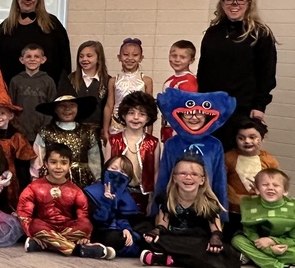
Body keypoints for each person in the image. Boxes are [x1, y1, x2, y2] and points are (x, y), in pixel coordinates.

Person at [197, 0, 277, 148]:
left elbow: (267, 73)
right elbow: (203, 71)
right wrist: (200, 104)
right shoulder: (213, 33)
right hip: (213, 108)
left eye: (240, 0)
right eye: (230, 0)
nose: (235, 4)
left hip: (243, 108)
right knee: (214, 157)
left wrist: (259, 106)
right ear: (222, 3)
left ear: (249, 3)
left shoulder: (260, 34)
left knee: (239, 162)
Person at [141, 155, 242, 268]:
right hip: (173, 237)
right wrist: (156, 231)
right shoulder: (166, 198)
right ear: (174, 178)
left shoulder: (209, 202)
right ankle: (175, 258)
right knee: (151, 240)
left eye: (194, 174)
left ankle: (168, 259)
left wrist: (215, 238)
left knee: (216, 255)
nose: (188, 177)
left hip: (197, 240)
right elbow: (163, 224)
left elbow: (216, 229)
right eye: (182, 173)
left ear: (202, 180)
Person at [17, 143, 114, 259]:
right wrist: (31, 233)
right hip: (43, 227)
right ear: (46, 163)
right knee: (34, 224)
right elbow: (23, 215)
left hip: (66, 229)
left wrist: (85, 237)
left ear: (70, 165)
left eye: (63, 163)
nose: (58, 167)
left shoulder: (76, 191)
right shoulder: (33, 187)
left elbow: (83, 217)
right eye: (53, 162)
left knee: (86, 224)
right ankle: (78, 250)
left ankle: (45, 244)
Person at [155, 87, 235, 220]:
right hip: (175, 206)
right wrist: (156, 210)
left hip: (204, 207)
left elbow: (219, 180)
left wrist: (222, 215)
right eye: (188, 113)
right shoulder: (172, 143)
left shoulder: (215, 145)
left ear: (207, 116)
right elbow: (164, 177)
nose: (194, 117)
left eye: (199, 114)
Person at [0, 0, 71, 84]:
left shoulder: (52, 23)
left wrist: (64, 85)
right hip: (13, 89)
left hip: (48, 89)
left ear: (38, 0)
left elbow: (65, 56)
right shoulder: (6, 26)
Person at [0, 65, 36, 206]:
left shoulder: (17, 138)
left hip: (12, 184)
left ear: (10, 115)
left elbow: (23, 169)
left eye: (2, 113)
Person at [230, 168, 295, 268]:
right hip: (258, 243)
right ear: (257, 190)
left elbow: (293, 239)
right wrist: (269, 249)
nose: (270, 188)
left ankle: (255, 258)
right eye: (265, 185)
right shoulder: (251, 205)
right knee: (237, 240)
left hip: (285, 244)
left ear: (285, 191)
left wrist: (273, 241)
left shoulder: (292, 208)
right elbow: (249, 232)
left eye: (276, 185)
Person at [31, 94, 102, 188]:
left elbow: (94, 159)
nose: (67, 109)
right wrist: (35, 179)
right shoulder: (46, 131)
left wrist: (97, 180)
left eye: (72, 105)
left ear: (78, 108)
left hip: (81, 180)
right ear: (55, 109)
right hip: (53, 179)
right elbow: (38, 158)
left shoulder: (87, 132)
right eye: (62, 106)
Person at [224, 118, 279, 237]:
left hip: (260, 210)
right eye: (241, 138)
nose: (247, 141)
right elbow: (222, 182)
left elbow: (276, 185)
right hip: (234, 211)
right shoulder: (228, 158)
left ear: (262, 139)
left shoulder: (269, 161)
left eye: (252, 137)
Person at [107, 91, 160, 213]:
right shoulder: (113, 140)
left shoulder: (154, 143)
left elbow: (156, 173)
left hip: (144, 197)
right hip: (117, 195)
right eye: (131, 113)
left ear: (148, 118)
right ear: (124, 115)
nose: (136, 117)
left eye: (142, 114)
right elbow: (107, 171)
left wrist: (153, 199)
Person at [83, 155, 143, 258]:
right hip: (95, 231)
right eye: (113, 169)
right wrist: (106, 201)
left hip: (115, 232)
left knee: (137, 236)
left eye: (123, 172)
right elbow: (97, 220)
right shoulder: (92, 192)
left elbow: (122, 218)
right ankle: (95, 248)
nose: (117, 174)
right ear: (105, 169)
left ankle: (104, 250)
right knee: (113, 237)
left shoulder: (126, 196)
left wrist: (126, 229)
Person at [104, 38, 154, 140]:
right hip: (117, 125)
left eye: (135, 55)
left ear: (141, 58)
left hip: (138, 124)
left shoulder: (146, 80)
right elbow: (109, 106)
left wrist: (149, 132)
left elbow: (150, 108)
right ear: (119, 57)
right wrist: (105, 129)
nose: (130, 58)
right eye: (126, 54)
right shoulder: (113, 81)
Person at [9, 44, 57, 143]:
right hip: (19, 130)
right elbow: (11, 106)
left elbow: (52, 106)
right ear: (22, 60)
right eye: (28, 56)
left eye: (36, 56)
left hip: (41, 130)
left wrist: (45, 127)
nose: (32, 59)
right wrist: (15, 125)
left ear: (43, 59)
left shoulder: (48, 81)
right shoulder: (16, 80)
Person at [58, 40, 109, 133]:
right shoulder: (70, 79)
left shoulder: (107, 81)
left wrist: (105, 129)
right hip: (74, 130)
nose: (84, 59)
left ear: (98, 58)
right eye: (81, 56)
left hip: (97, 130)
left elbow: (108, 107)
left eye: (89, 56)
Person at [160, 40, 198, 142]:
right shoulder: (171, 79)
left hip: (180, 131)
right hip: (168, 127)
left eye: (182, 57)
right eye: (174, 55)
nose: (177, 60)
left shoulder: (188, 81)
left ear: (191, 60)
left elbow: (190, 110)